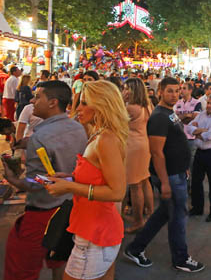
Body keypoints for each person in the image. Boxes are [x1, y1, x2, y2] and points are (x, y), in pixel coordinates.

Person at [2, 81, 87, 280]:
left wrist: (14, 180)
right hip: (70, 208)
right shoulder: (77, 127)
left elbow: (38, 182)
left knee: (21, 268)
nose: (32, 101)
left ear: (53, 102)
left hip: (43, 214)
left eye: (38, 97)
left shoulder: (41, 137)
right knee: (60, 261)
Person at [45, 80, 128, 279]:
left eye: (83, 103)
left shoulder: (105, 139)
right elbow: (99, 177)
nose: (76, 109)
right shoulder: (98, 135)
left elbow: (117, 192)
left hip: (96, 235)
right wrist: (70, 178)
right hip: (93, 231)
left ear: (101, 105)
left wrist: (69, 186)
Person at [125, 77, 204, 273]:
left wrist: (183, 165)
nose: (175, 95)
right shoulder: (159, 117)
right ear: (160, 91)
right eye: (170, 91)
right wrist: (166, 182)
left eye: (177, 91)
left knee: (163, 214)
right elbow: (157, 152)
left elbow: (174, 140)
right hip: (170, 177)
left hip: (177, 172)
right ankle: (181, 258)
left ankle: (135, 248)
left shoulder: (170, 114)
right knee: (178, 216)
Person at [121, 78, 154, 233]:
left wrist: (121, 100)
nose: (124, 90)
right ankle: (151, 212)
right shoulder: (147, 105)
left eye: (126, 88)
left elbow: (115, 120)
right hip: (144, 144)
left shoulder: (130, 107)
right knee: (144, 180)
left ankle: (138, 221)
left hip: (133, 147)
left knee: (135, 185)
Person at [186, 93, 211, 222]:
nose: (208, 105)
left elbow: (210, 136)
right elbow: (189, 128)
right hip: (200, 153)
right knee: (196, 181)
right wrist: (202, 130)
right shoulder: (202, 114)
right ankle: (197, 208)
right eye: (208, 103)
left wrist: (198, 131)